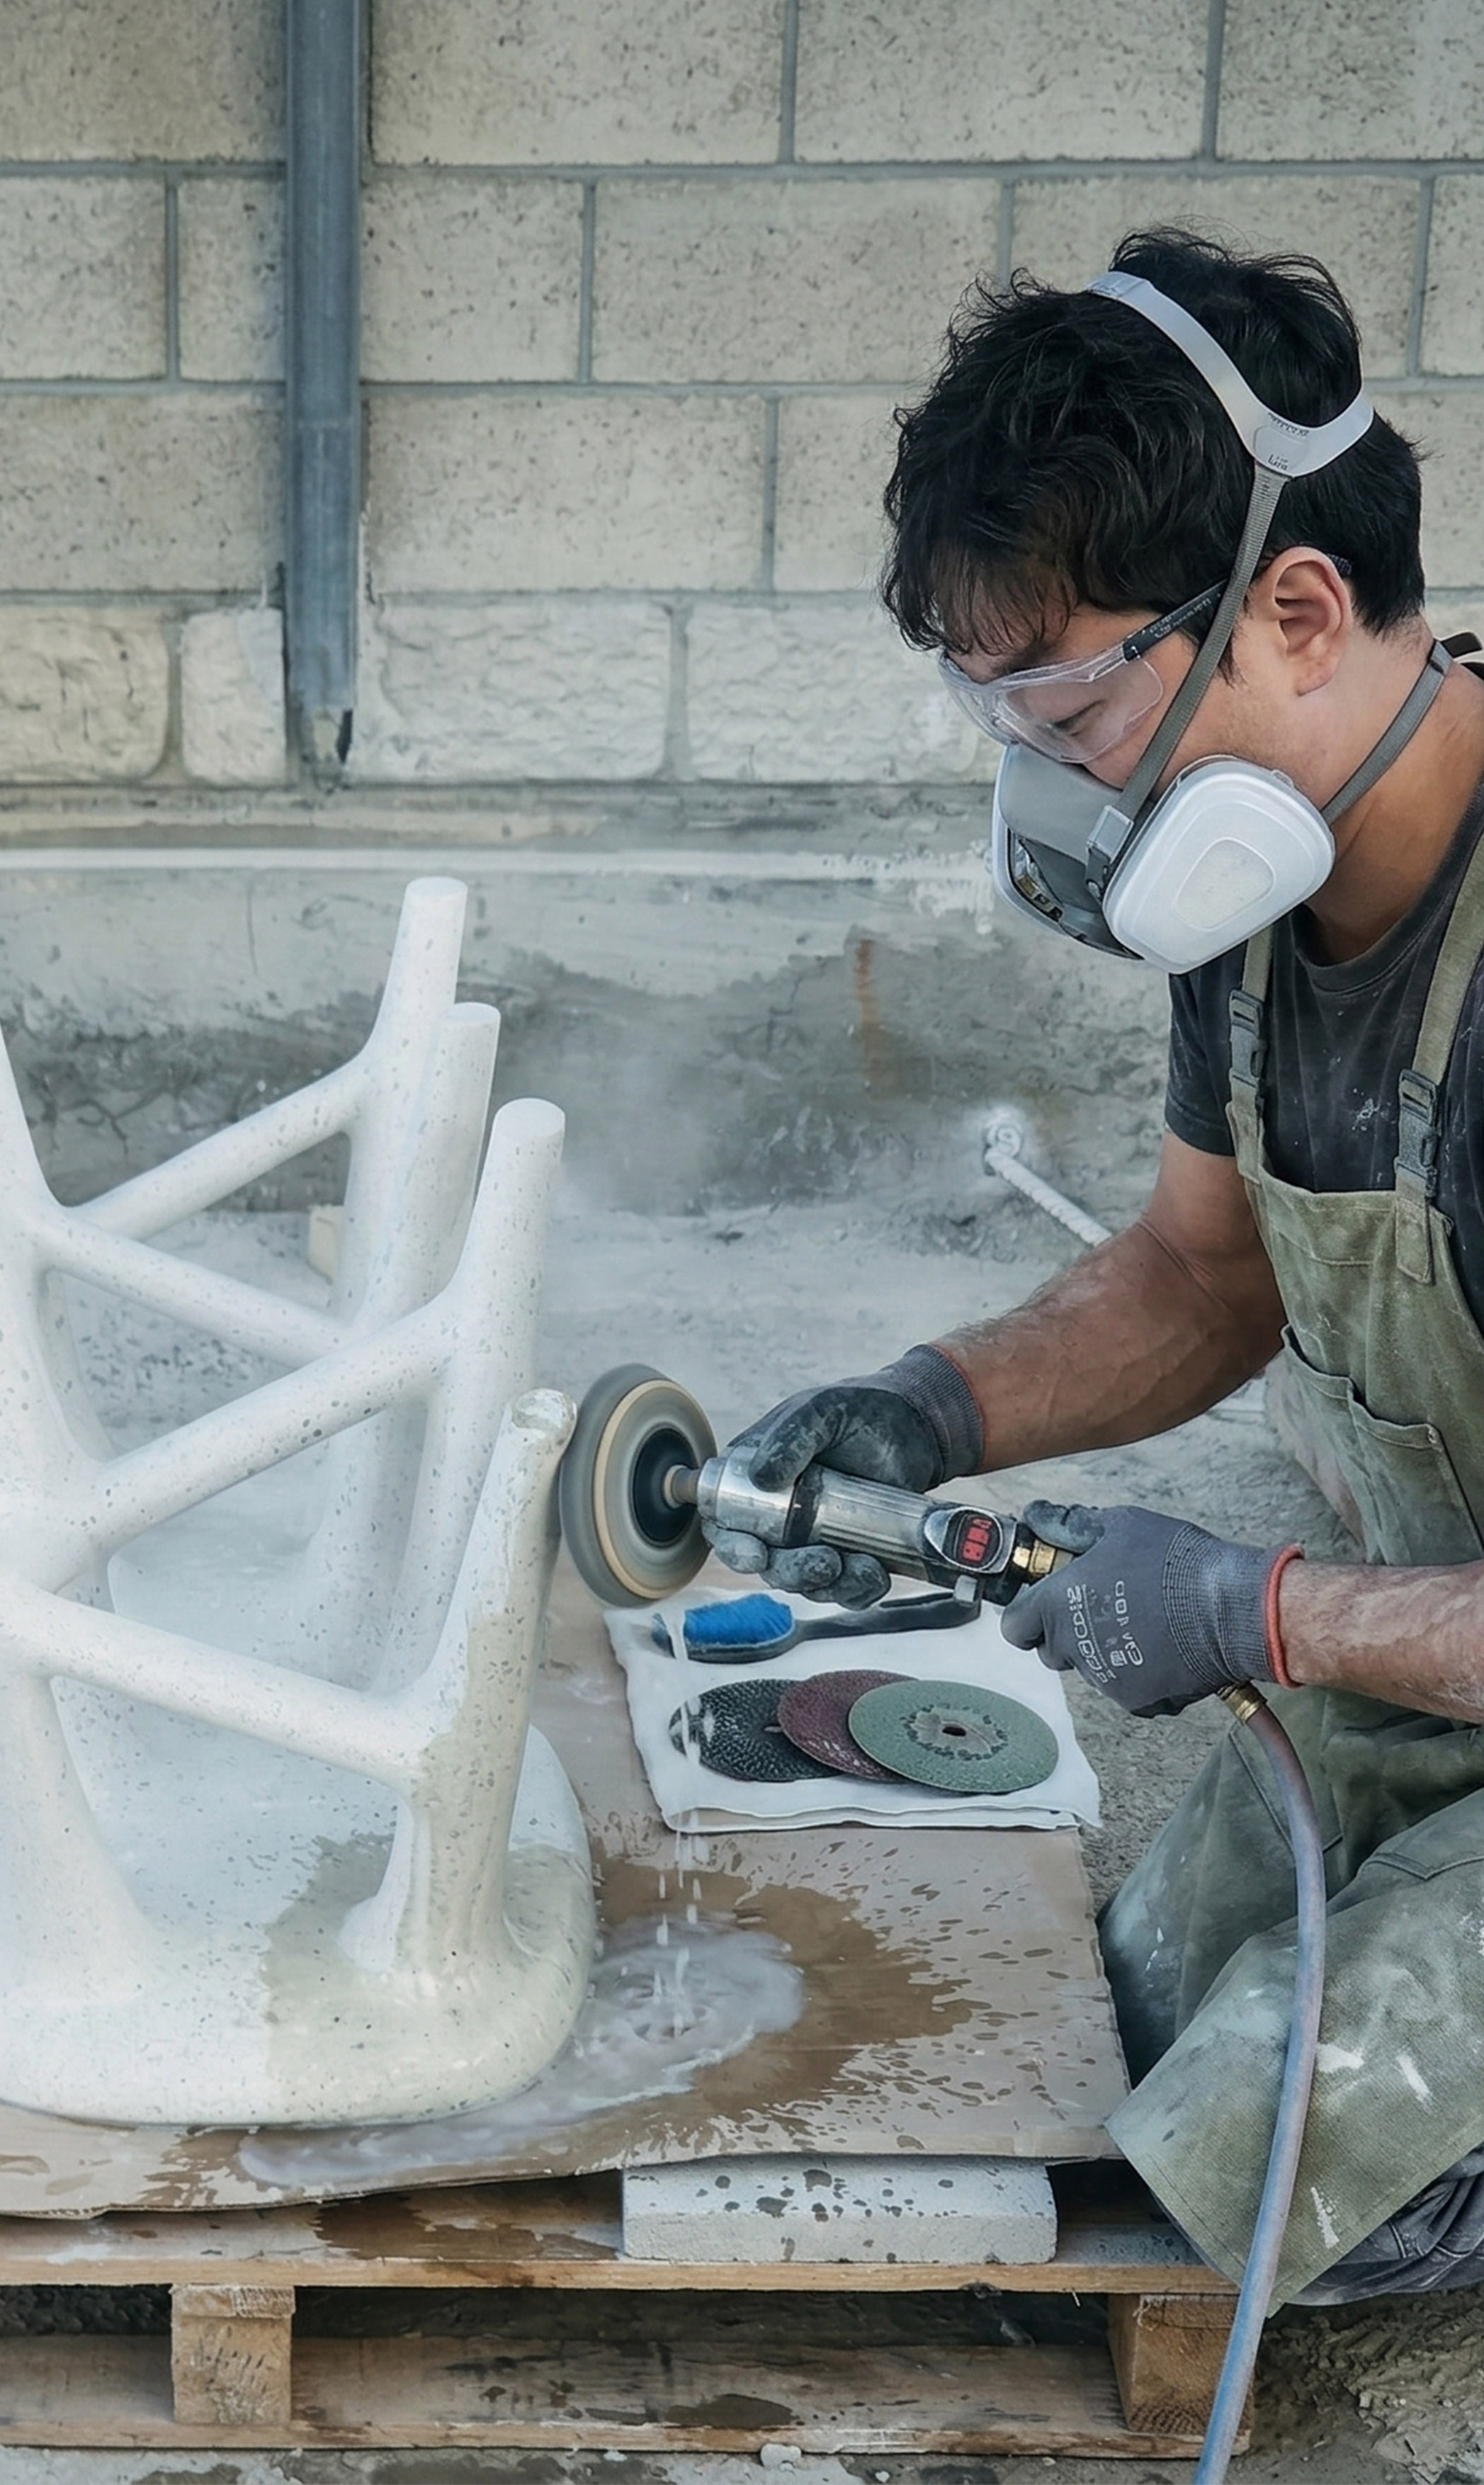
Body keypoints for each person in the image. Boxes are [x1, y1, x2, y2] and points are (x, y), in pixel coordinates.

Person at [704, 227, 1484, 2306]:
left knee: (1301, 2176)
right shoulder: (1261, 904)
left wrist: (1261, 1607)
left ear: (1295, 613)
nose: (1046, 776)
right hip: (1446, 1639)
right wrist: (931, 1406)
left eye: (1064, 701)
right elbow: (1202, 1276)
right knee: (1122, 2015)